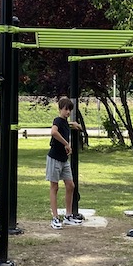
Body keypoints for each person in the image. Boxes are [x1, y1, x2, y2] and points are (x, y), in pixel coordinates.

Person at [47, 96, 83, 229]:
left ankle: (68, 216)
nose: (67, 112)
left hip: (64, 159)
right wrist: (66, 144)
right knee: (54, 187)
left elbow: (67, 124)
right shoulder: (57, 120)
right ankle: (55, 218)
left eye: (69, 110)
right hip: (54, 158)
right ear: (60, 109)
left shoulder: (65, 122)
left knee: (70, 185)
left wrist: (75, 125)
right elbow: (54, 132)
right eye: (65, 109)